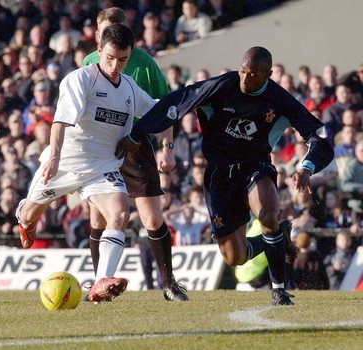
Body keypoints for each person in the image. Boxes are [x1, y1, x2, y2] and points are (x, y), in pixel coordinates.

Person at [117, 46, 335, 305]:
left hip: (255, 165)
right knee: (235, 257)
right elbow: (177, 101)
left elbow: (319, 135)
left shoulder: (280, 99)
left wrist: (307, 167)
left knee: (267, 214)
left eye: (252, 74)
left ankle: (279, 290)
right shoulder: (222, 85)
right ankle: (276, 238)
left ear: (268, 74)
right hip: (219, 173)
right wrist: (138, 132)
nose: (244, 78)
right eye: (242, 71)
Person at [15, 24, 155, 303]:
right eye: (111, 58)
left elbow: (157, 111)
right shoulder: (80, 79)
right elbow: (60, 121)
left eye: (124, 59)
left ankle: (101, 281)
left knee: (119, 212)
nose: (116, 66)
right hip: (66, 162)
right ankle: (25, 218)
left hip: (102, 166)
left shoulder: (128, 86)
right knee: (30, 214)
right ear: (99, 50)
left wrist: (171, 138)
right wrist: (53, 158)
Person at [82, 7, 188, 302]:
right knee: (98, 218)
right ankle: (98, 281)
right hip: (101, 147)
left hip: (135, 143)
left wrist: (167, 147)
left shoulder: (143, 64)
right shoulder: (89, 63)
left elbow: (165, 107)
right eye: (105, 31)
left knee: (152, 217)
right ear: (99, 36)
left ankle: (168, 284)